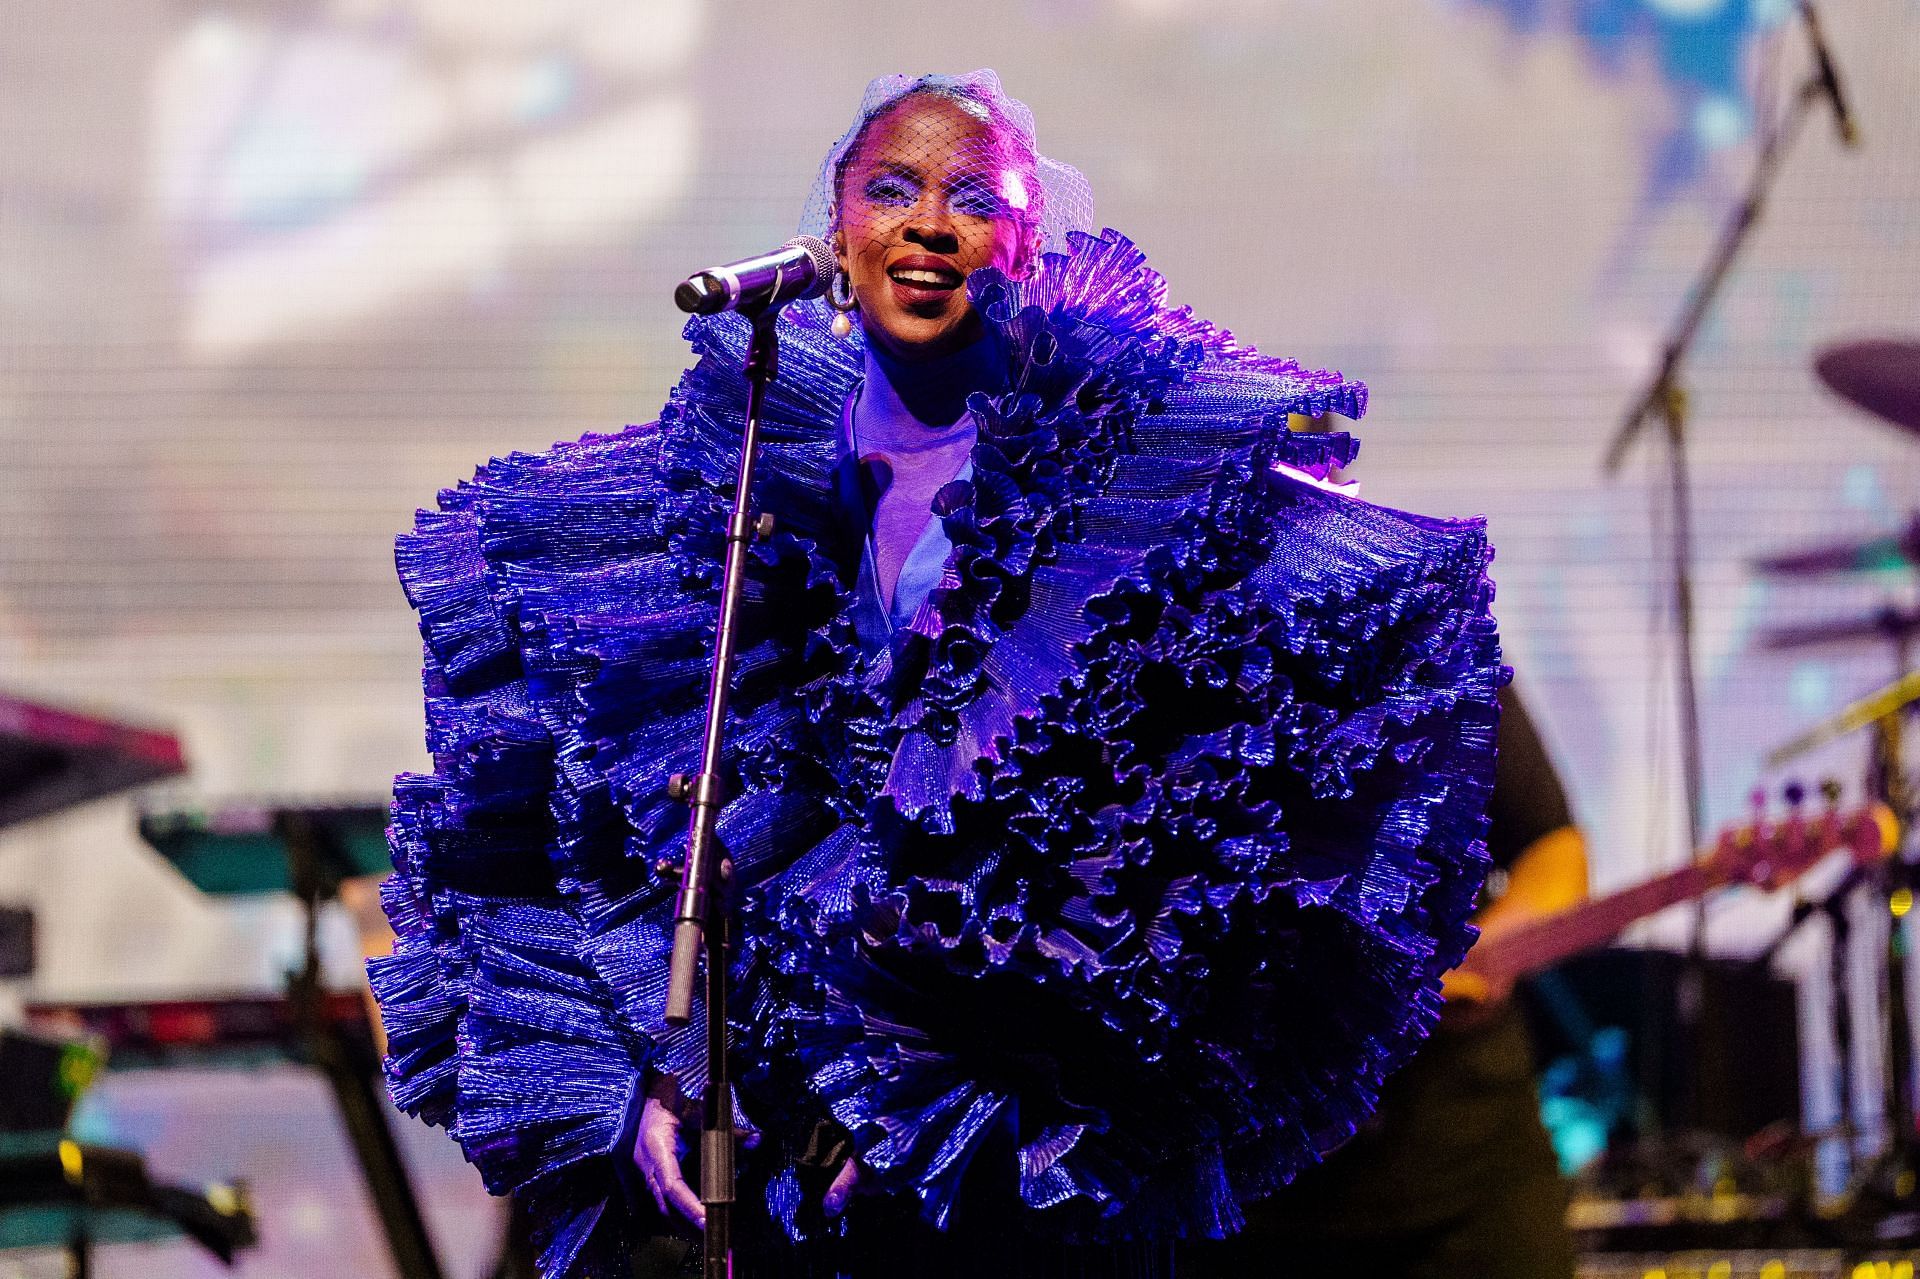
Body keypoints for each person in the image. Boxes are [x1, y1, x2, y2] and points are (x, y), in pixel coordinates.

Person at [370, 70, 1505, 1278]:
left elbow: (1223, 833)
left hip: (1028, 1178)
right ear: (837, 236)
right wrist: (642, 1077)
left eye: (972, 197)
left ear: (1027, 241)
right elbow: (589, 815)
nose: (926, 222)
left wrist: (973, 1105)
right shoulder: (735, 476)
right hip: (773, 1171)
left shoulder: (1134, 485)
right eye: (893, 190)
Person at [1183, 682, 1589, 1278]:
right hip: (1251, 1174)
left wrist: (1477, 956)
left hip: (1467, 1156)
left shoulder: (1448, 654)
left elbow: (1554, 853)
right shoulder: (1179, 659)